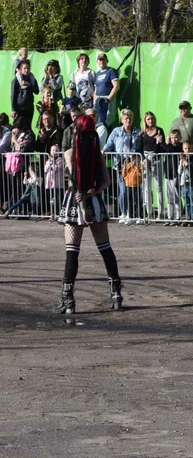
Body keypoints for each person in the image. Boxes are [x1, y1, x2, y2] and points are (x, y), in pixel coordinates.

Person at [55, 114, 125, 314]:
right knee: (105, 248)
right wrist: (93, 193)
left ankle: (68, 298)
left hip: (75, 203)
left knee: (72, 251)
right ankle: (116, 293)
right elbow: (106, 182)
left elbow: (76, 183)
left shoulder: (70, 153)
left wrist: (83, 206)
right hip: (95, 201)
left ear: (75, 132)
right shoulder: (97, 154)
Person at [104, 109, 143, 225]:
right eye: (126, 118)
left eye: (130, 118)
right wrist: (104, 150)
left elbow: (139, 146)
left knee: (134, 191)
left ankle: (134, 213)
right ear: (121, 120)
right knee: (123, 190)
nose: (128, 120)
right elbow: (109, 144)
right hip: (121, 164)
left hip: (133, 165)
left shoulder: (137, 132)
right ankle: (124, 213)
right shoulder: (116, 132)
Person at [138, 111, 167, 221]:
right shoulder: (142, 133)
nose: (151, 121)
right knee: (146, 188)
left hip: (157, 159)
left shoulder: (160, 131)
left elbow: (161, 147)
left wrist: (158, 142)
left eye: (152, 118)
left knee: (159, 187)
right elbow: (139, 148)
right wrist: (144, 160)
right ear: (145, 121)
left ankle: (160, 213)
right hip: (146, 159)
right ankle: (149, 213)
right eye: (148, 119)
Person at [91, 53, 119, 128]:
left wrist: (109, 99)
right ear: (97, 62)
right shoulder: (97, 74)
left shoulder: (111, 71)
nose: (101, 61)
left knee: (108, 120)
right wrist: (94, 102)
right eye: (100, 60)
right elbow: (96, 89)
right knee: (97, 121)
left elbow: (116, 86)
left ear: (107, 61)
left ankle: (108, 137)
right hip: (98, 100)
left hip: (107, 98)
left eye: (103, 59)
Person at [10, 59, 39, 127]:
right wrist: (13, 109)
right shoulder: (16, 80)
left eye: (28, 68)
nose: (27, 70)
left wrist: (29, 84)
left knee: (27, 127)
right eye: (25, 68)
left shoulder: (32, 79)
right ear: (20, 69)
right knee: (18, 126)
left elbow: (37, 91)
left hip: (29, 108)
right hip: (19, 108)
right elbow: (13, 95)